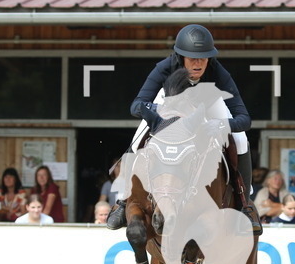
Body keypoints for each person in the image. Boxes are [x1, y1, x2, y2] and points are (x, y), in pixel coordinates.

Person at [106, 23, 260, 234]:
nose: (198, 64)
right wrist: (161, 111)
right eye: (192, 58)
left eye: (204, 58)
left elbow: (244, 119)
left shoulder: (218, 72)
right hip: (169, 105)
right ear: (180, 57)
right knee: (139, 135)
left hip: (208, 105)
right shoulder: (165, 67)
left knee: (241, 139)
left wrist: (221, 125)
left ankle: (245, 204)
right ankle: (124, 201)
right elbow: (136, 106)